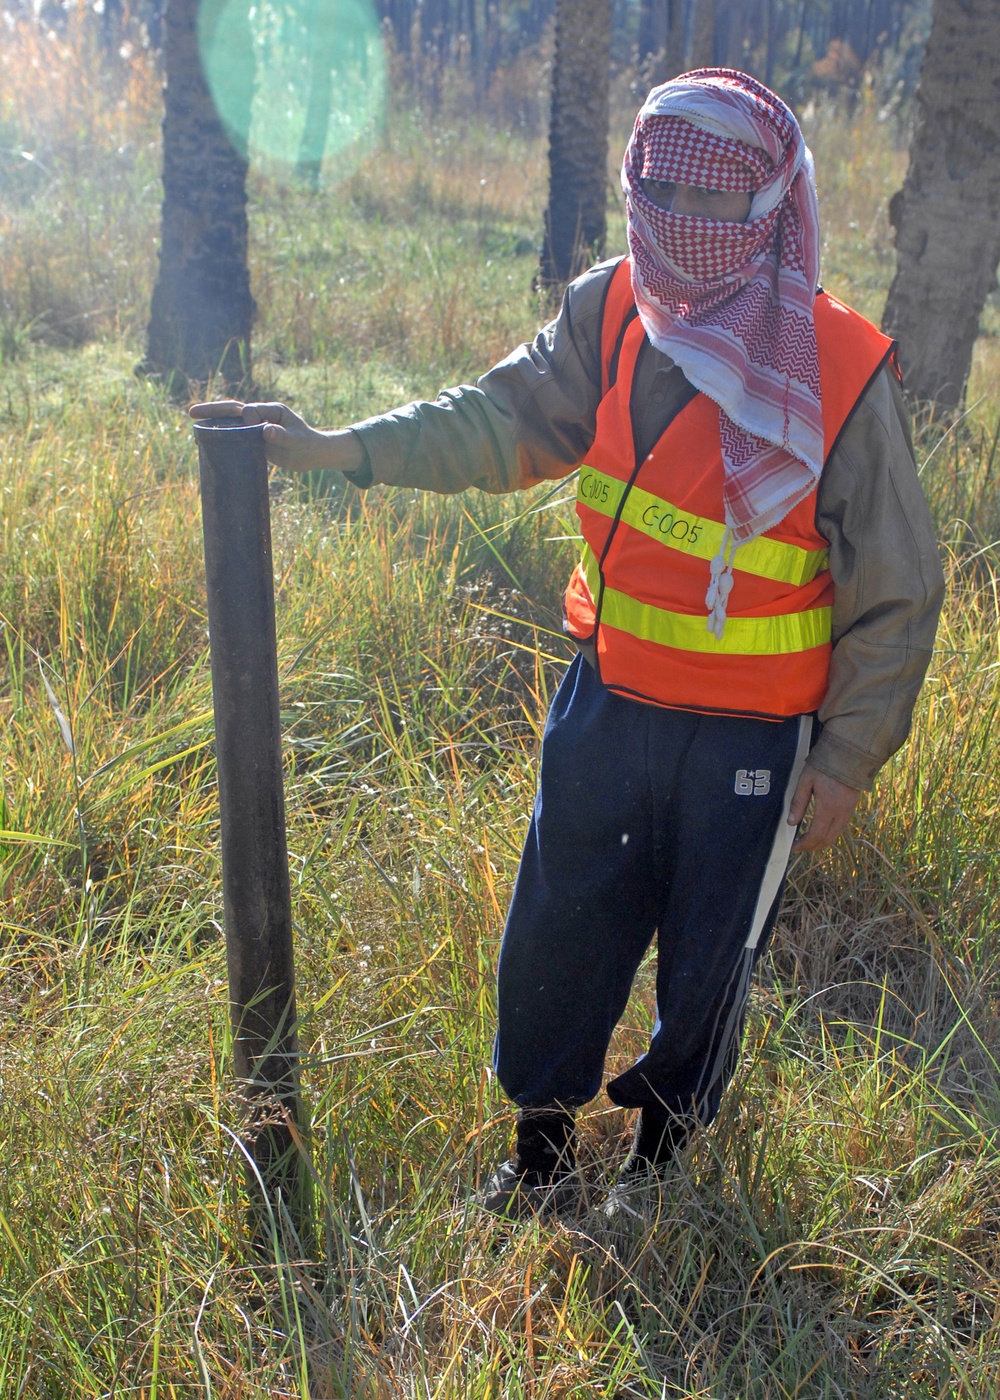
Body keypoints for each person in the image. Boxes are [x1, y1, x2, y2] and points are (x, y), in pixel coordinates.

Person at [193, 69, 944, 1217]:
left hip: (754, 747)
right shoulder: (610, 311)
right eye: (658, 190)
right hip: (610, 702)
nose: (678, 227)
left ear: (772, 206)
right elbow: (499, 419)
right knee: (556, 930)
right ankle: (537, 1160)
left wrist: (843, 758)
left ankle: (656, 1172)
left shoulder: (836, 368)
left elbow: (898, 587)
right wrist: (344, 449)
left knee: (707, 969)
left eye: (711, 201)